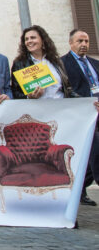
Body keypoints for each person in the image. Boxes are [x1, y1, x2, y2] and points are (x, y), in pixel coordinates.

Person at [62, 29, 99, 206]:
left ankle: (80, 189)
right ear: (71, 43)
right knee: (90, 153)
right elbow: (66, 90)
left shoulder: (95, 63)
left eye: (86, 41)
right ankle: (79, 190)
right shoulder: (63, 63)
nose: (84, 44)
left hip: (98, 113)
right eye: (80, 41)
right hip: (81, 115)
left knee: (94, 154)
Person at [11, 25, 71, 100]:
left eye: (33, 38)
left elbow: (68, 87)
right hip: (37, 108)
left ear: (43, 40)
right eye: (26, 39)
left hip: (61, 106)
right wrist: (29, 96)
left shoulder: (55, 61)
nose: (29, 41)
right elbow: (15, 92)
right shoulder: (19, 63)